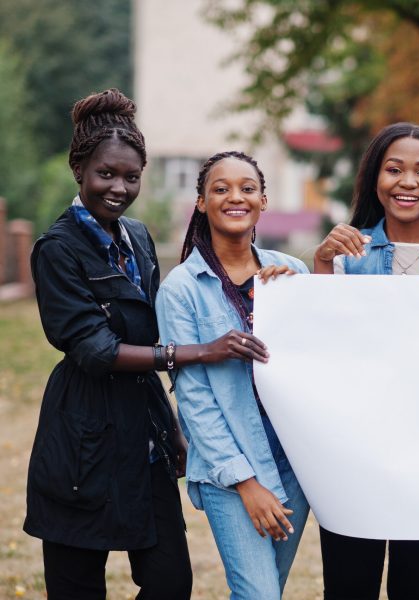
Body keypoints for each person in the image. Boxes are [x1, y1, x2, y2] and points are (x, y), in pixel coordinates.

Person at [23, 89, 264, 599]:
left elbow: (148, 328)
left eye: (131, 176)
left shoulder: (136, 237)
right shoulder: (57, 249)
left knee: (170, 581)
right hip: (81, 436)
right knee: (76, 587)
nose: (118, 187)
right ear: (78, 170)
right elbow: (94, 350)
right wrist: (200, 351)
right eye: (105, 174)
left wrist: (172, 429)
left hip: (143, 434)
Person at [312, 122, 419, 600]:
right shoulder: (346, 253)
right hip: (354, 452)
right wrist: (322, 266)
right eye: (394, 169)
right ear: (373, 180)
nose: (408, 182)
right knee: (348, 586)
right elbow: (321, 344)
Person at [155, 151, 310, 599]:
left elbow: (315, 361)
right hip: (230, 469)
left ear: (264, 199)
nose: (234, 197)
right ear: (201, 202)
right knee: (259, 596)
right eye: (220, 189)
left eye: (247, 188)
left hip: (292, 462)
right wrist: (247, 484)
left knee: (266, 592)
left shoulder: (289, 271)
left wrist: (296, 296)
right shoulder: (182, 289)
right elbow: (194, 400)